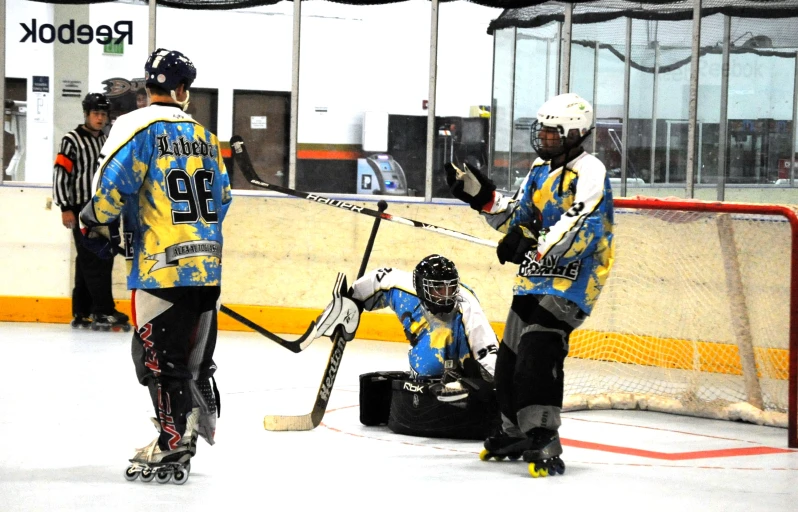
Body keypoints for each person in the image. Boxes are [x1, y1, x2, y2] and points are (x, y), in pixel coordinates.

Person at [79, 48, 232, 484]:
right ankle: (188, 418)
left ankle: (171, 441)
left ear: (149, 87)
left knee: (157, 361)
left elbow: (112, 189)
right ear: (182, 90)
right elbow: (222, 199)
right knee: (187, 356)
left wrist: (93, 220)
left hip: (161, 265)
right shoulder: (204, 135)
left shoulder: (136, 127)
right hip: (207, 265)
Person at [445, 92, 614, 476]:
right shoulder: (540, 168)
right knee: (509, 361)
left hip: (574, 280)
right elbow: (520, 215)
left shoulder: (591, 172)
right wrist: (483, 199)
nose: (543, 137)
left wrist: (534, 244)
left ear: (575, 133)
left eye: (552, 132)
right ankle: (513, 432)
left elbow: (581, 224)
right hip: (534, 278)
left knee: (540, 349)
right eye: (542, 130)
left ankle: (542, 434)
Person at [347, 255, 500, 439]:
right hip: (428, 358)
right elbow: (377, 279)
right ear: (421, 287)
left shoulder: (468, 308)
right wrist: (350, 301)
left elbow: (489, 353)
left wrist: (492, 385)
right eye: (438, 289)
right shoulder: (402, 287)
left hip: (466, 360)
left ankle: (460, 375)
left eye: (450, 287)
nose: (446, 295)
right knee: (427, 368)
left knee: (436, 364)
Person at [53, 92, 129, 331]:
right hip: (81, 208)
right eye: (96, 113)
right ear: (86, 114)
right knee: (95, 260)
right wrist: (66, 207)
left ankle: (82, 310)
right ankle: (102, 310)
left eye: (103, 114)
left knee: (89, 259)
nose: (100, 118)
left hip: (102, 208)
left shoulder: (104, 141)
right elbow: (60, 174)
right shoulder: (71, 139)